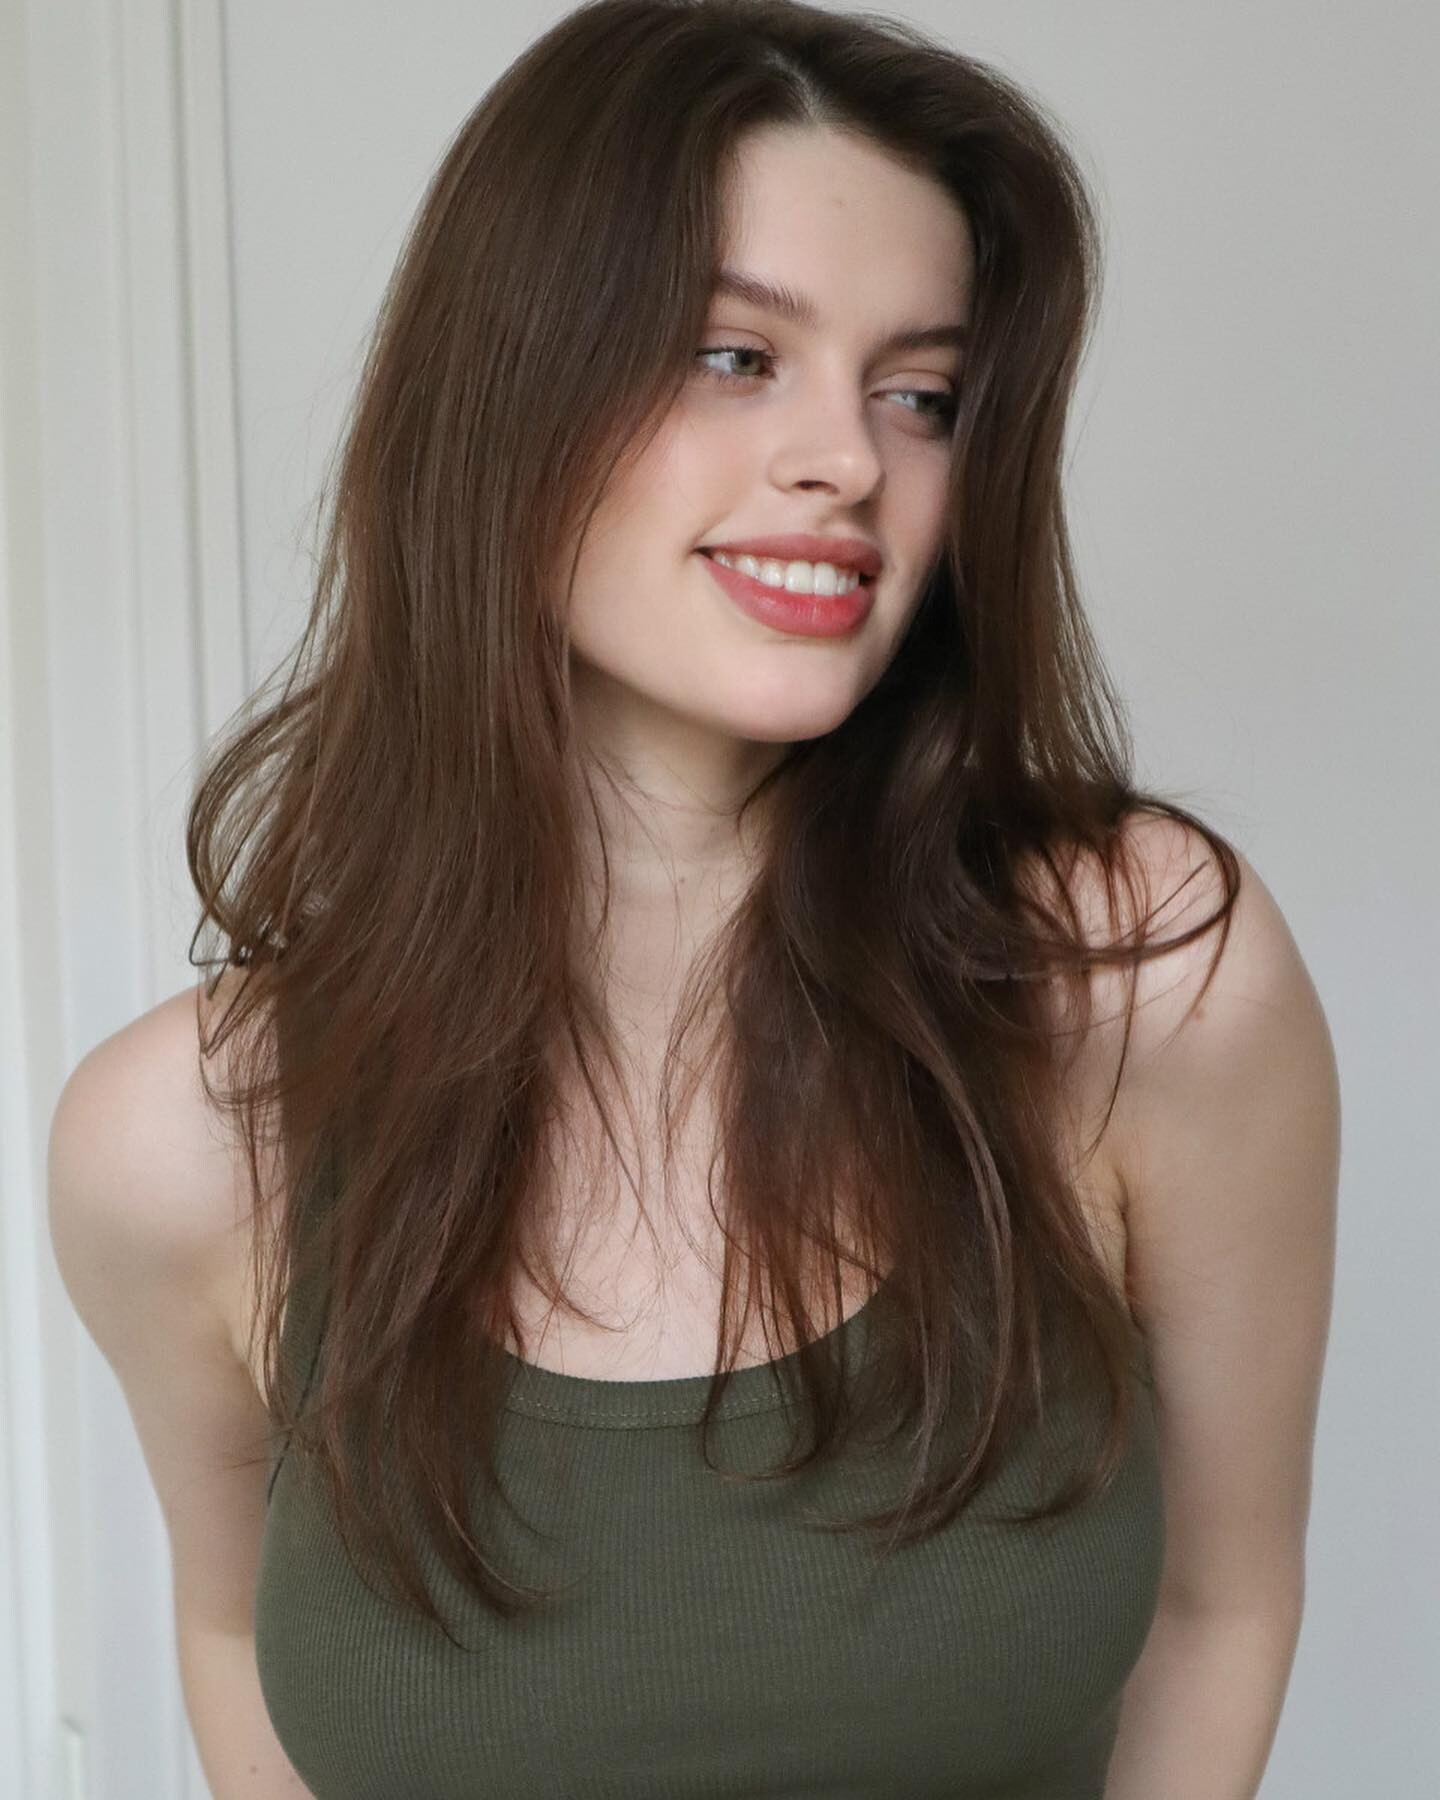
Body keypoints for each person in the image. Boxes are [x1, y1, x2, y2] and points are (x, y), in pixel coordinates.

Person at [47, 2, 1340, 1795]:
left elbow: (1221, 1605)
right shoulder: (183, 1145)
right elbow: (230, 1649)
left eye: (921, 393)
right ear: (508, 391)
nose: (850, 460)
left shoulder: (1140, 981)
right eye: (738, 357)